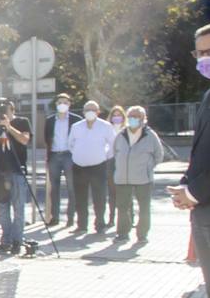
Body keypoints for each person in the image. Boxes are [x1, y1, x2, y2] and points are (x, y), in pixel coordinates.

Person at [173, 24, 210, 298]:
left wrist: (196, 192)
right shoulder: (207, 97)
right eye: (199, 53)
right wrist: (185, 185)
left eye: (208, 51)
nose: (204, 58)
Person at [0, 98, 32, 255]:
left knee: (18, 208)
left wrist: (8, 127)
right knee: (2, 208)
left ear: (12, 108)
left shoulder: (22, 121)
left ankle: (17, 240)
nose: (2, 111)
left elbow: (24, 140)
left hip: (16, 170)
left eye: (5, 108)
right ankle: (6, 240)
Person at [112, 105, 162, 244]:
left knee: (144, 208)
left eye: (137, 116)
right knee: (122, 208)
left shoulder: (150, 135)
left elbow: (159, 155)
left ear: (143, 118)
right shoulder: (121, 134)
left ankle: (142, 235)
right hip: (122, 178)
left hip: (143, 179)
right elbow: (114, 152)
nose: (133, 119)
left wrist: (148, 168)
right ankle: (122, 233)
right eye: (131, 116)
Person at [68, 100, 116, 235]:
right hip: (79, 166)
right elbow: (70, 144)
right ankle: (81, 225)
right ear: (83, 112)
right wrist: (78, 155)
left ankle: (100, 224)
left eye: (93, 110)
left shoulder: (105, 126)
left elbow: (112, 145)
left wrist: (104, 157)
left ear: (98, 112)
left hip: (98, 166)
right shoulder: (76, 127)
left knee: (99, 197)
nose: (90, 112)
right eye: (87, 109)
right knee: (80, 198)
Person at [43, 93, 80, 227]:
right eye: (59, 102)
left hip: (69, 155)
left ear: (69, 104)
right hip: (54, 155)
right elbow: (47, 138)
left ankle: (70, 218)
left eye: (65, 102)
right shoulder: (50, 120)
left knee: (71, 187)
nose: (62, 105)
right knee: (54, 188)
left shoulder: (76, 120)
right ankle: (55, 217)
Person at [106, 104, 125, 229]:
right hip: (111, 161)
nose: (116, 117)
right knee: (112, 193)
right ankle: (111, 218)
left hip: (124, 162)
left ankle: (129, 217)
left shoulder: (127, 129)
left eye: (119, 115)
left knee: (125, 192)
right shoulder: (107, 128)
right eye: (114, 115)